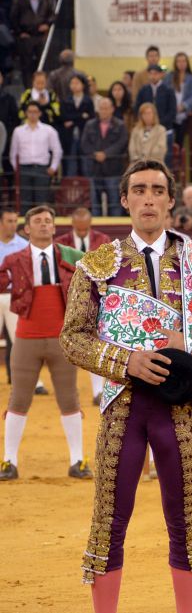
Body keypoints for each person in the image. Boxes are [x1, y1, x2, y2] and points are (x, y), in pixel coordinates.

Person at [59, 158, 192, 613]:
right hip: (124, 406)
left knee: (185, 519)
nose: (147, 198)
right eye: (138, 190)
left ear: (170, 199)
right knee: (109, 521)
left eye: (157, 190)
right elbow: (72, 336)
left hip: (179, 409)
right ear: (123, 200)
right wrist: (126, 360)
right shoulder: (98, 264)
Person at [0, 205, 91, 481]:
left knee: (69, 398)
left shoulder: (72, 257)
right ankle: (8, 461)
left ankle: (77, 460)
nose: (43, 225)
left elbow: (97, 276)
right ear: (26, 229)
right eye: (37, 221)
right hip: (26, 338)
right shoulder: (13, 261)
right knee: (19, 398)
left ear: (54, 227)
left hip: (61, 338)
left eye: (47, 221)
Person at [55, 208, 112, 405]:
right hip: (68, 295)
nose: (81, 232)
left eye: (84, 228)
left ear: (89, 224)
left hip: (98, 295)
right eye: (77, 229)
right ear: (72, 224)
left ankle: (98, 391)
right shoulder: (61, 244)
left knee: (96, 339)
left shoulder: (103, 239)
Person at [80, 98, 129, 218]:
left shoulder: (120, 125)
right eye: (101, 108)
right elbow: (84, 144)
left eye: (106, 108)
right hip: (94, 169)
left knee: (114, 202)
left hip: (113, 170)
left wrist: (106, 154)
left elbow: (122, 143)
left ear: (112, 109)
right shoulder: (89, 125)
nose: (104, 111)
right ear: (98, 110)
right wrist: (95, 154)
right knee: (95, 204)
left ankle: (116, 230)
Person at [9, 101, 60, 209]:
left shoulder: (49, 130)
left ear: (40, 113)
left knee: (41, 201)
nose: (32, 114)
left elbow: (57, 150)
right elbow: (13, 153)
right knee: (24, 202)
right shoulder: (18, 131)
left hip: (42, 169)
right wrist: (17, 169)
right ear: (26, 113)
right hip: (24, 169)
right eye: (30, 112)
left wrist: (53, 167)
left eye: (35, 112)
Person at [0, 209, 29, 385]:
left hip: (14, 296)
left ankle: (27, 380)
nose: (13, 224)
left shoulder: (23, 245)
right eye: (9, 221)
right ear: (1, 223)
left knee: (20, 341)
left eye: (14, 221)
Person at [10, 0, 55, 87]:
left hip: (41, 36)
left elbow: (52, 14)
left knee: (43, 64)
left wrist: (47, 24)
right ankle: (28, 88)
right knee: (26, 65)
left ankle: (43, 87)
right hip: (26, 36)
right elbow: (14, 17)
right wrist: (19, 32)